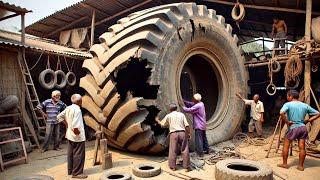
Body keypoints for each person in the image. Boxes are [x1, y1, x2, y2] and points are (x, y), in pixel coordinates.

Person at [278, 90, 320, 171]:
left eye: (287, 96)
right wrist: (308, 120)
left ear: (291, 96)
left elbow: (281, 112)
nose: (287, 98)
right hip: (303, 128)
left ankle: (285, 164)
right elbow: (318, 113)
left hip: (293, 127)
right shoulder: (304, 105)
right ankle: (300, 166)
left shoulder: (288, 104)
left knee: (286, 146)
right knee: (302, 148)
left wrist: (287, 122)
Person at [57, 94, 87, 179]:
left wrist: (68, 125)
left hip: (69, 135)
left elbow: (59, 117)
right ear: (80, 101)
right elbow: (75, 126)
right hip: (77, 136)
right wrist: (77, 133)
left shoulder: (68, 108)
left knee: (70, 153)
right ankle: (77, 173)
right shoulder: (77, 110)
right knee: (78, 154)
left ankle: (71, 171)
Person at [155, 103, 191, 172]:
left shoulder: (169, 116)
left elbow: (162, 124)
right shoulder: (181, 114)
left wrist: (157, 120)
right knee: (185, 149)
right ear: (176, 108)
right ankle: (187, 167)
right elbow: (187, 125)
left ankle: (173, 167)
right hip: (182, 133)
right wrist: (188, 133)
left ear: (170, 109)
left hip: (173, 134)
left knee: (173, 150)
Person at [182, 93, 210, 158]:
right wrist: (185, 102)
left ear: (195, 100)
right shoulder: (201, 103)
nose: (192, 99)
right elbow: (192, 104)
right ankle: (206, 150)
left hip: (198, 125)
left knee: (198, 139)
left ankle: (200, 153)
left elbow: (189, 110)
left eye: (193, 99)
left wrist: (182, 106)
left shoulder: (197, 106)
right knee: (203, 137)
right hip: (203, 124)